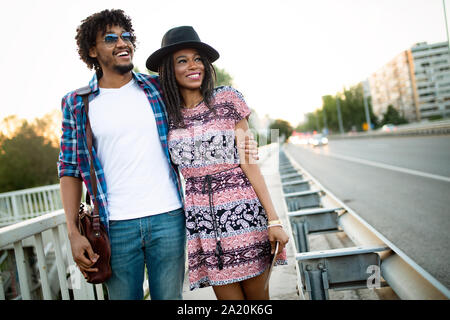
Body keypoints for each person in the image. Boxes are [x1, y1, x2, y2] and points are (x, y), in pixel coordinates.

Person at [58, 10, 258, 300]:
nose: (122, 43)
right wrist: (73, 232)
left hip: (169, 219)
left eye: (126, 37)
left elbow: (200, 107)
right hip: (115, 225)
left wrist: (240, 136)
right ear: (92, 50)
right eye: (110, 38)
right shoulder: (77, 103)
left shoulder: (158, 88)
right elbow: (69, 168)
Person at [146, 26, 289, 300]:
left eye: (197, 58)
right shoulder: (165, 113)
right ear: (168, 70)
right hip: (203, 221)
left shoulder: (227, 98)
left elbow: (249, 163)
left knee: (258, 300)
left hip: (244, 213)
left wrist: (274, 219)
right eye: (182, 60)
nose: (193, 66)